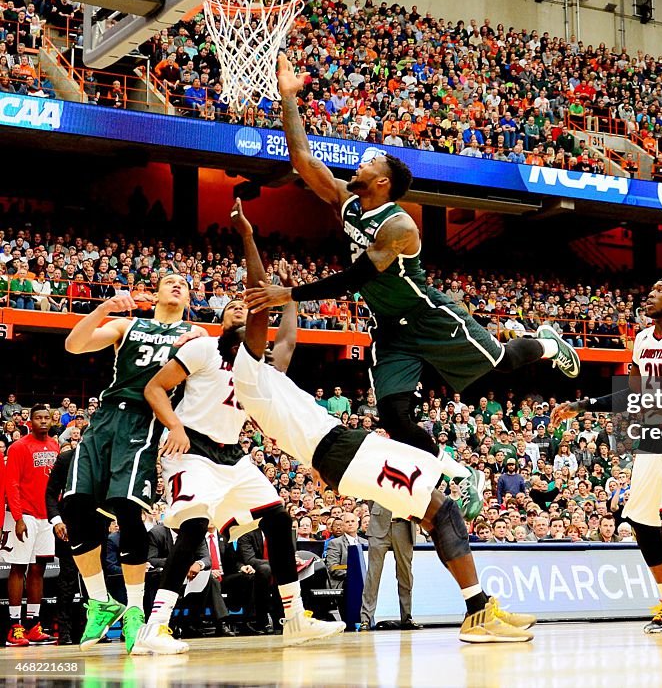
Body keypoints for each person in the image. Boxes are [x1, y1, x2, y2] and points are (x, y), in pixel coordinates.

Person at [245, 56, 582, 519]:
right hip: (389, 328)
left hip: (428, 316)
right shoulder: (346, 201)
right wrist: (287, 97)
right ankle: (456, 474)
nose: (360, 162)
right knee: (395, 418)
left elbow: (362, 275)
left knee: (501, 363)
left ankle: (546, 343)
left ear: (382, 181)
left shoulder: (399, 225)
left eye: (370, 161)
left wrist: (291, 295)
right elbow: (302, 159)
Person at [231, 200, 535, 643]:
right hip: (338, 452)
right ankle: (478, 613)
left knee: (438, 511)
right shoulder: (245, 373)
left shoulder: (266, 373)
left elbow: (288, 340)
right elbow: (259, 304)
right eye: (239, 325)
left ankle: (478, 609)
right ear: (236, 345)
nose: (250, 324)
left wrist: (292, 297)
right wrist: (248, 238)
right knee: (440, 508)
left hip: (345, 450)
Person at [136, 253, 343, 655]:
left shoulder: (259, 364)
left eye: (244, 308)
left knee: (279, 518)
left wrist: (291, 299)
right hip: (191, 448)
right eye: (233, 307)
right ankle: (155, 627)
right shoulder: (202, 348)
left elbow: (286, 342)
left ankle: (295, 617)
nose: (239, 311)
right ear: (223, 320)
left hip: (233, 456)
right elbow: (154, 388)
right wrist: (174, 426)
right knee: (194, 527)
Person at [551, 277, 662, 634]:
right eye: (649, 290)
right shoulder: (643, 339)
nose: (649, 294)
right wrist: (584, 405)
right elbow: (631, 395)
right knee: (642, 522)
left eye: (659, 291)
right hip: (652, 438)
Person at [63, 277, 200, 651]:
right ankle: (100, 601)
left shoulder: (194, 332)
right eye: (168, 281)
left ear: (189, 298)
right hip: (105, 417)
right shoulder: (127, 325)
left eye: (182, 283)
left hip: (144, 419)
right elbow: (73, 345)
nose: (175, 285)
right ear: (154, 294)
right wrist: (105, 308)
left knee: (126, 508)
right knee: (74, 505)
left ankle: (136, 611)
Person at [5, 404, 59, 646]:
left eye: (47, 418)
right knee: (19, 567)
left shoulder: (55, 445)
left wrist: (57, 516)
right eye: (39, 418)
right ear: (30, 420)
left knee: (39, 569)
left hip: (46, 515)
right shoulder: (18, 447)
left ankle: (33, 625)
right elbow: (12, 484)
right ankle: (14, 627)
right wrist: (17, 517)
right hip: (24, 515)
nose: (43, 422)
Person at [360, 503, 419, 631]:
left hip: (404, 525)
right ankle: (365, 619)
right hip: (378, 524)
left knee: (405, 574)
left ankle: (407, 618)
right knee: (373, 575)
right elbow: (371, 497)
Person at [45, 443, 80, 644]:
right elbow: (50, 493)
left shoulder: (103, 459)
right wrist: (57, 520)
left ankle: (86, 629)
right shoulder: (66, 459)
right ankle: (65, 632)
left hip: (94, 525)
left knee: (93, 581)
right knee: (68, 580)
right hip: (68, 525)